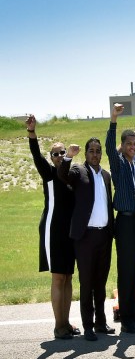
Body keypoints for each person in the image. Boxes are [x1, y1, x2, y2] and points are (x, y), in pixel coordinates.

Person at [27, 115, 77, 340]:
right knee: (58, 277)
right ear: (52, 158)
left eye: (61, 152)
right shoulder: (48, 173)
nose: (58, 156)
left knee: (68, 277)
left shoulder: (70, 174)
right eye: (55, 154)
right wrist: (32, 133)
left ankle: (66, 322)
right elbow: (36, 156)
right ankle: (59, 327)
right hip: (52, 229)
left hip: (69, 233)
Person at [58, 139, 114, 341]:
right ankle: (88, 325)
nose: (95, 154)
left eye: (98, 151)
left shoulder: (106, 175)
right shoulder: (78, 171)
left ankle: (100, 322)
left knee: (101, 282)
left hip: (104, 236)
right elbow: (62, 175)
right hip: (85, 237)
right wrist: (68, 157)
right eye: (91, 151)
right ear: (87, 153)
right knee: (87, 283)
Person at [106, 103, 135, 333]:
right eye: (129, 144)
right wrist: (114, 119)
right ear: (122, 146)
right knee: (125, 269)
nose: (132, 147)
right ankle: (127, 316)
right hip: (124, 222)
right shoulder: (119, 164)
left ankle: (133, 313)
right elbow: (110, 147)